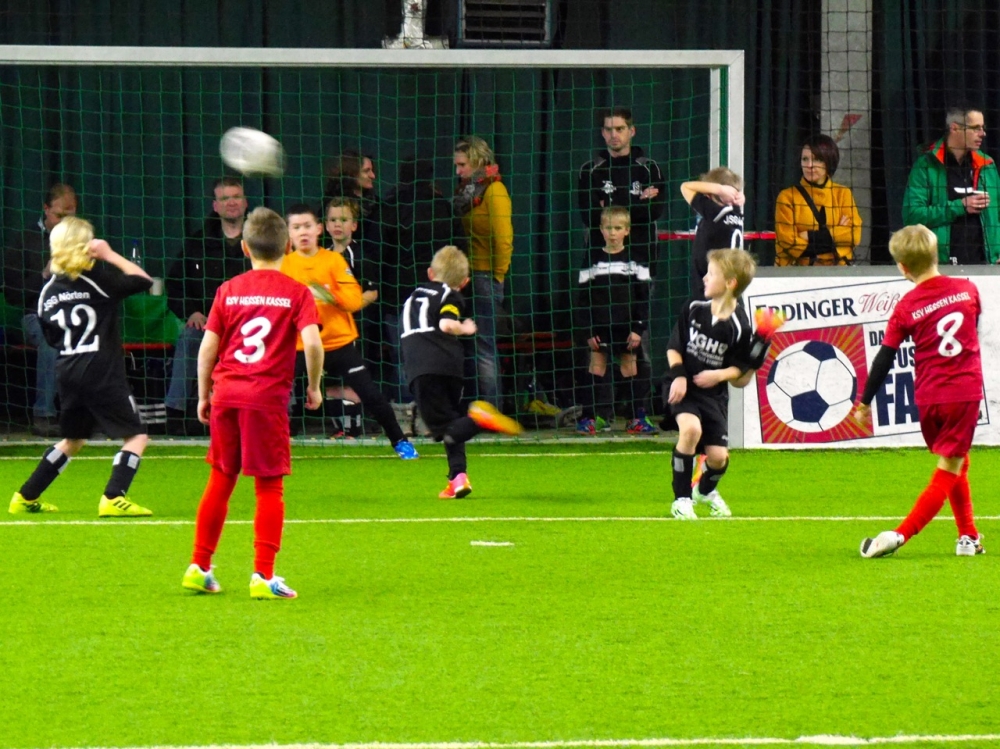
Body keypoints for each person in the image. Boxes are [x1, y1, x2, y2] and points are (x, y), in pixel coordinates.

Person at [181, 207, 323, 600]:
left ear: (244, 247)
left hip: (226, 393)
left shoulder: (228, 289)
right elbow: (313, 343)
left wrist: (203, 394)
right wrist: (314, 387)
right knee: (269, 486)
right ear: (288, 246)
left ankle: (199, 566)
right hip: (265, 399)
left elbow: (207, 347)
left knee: (221, 479)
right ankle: (263, 575)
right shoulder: (297, 292)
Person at [9, 217, 154, 517]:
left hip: (68, 372)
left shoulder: (47, 292)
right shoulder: (99, 282)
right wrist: (109, 254)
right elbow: (143, 280)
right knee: (137, 436)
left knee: (73, 440)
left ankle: (25, 496)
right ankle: (113, 497)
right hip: (102, 371)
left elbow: (50, 337)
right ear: (87, 247)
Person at [856, 225, 984, 558]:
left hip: (928, 398)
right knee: (950, 467)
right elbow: (973, 329)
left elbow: (884, 358)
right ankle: (899, 535)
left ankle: (968, 537)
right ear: (936, 253)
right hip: (963, 392)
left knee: (955, 458)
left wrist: (865, 402)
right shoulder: (968, 289)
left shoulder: (906, 307)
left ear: (903, 267)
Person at [281, 204, 418, 458]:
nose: (303, 232)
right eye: (296, 227)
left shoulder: (334, 260)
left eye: (307, 226)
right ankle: (265, 443)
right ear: (288, 233)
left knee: (370, 393)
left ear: (318, 229)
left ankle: (400, 441)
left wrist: (330, 296)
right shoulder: (284, 266)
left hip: (339, 343)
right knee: (274, 391)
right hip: (300, 345)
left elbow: (355, 300)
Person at [400, 245, 521, 499]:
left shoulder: (415, 296)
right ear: (465, 282)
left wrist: (462, 328)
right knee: (452, 422)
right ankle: (458, 478)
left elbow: (446, 323)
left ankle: (479, 420)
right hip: (450, 365)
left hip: (423, 367)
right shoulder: (452, 295)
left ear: (430, 273)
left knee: (444, 428)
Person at [666, 248, 758, 521]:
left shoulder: (740, 326)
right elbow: (673, 348)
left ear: (730, 283)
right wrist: (679, 376)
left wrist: (721, 374)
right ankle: (681, 499)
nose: (704, 278)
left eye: (711, 274)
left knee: (718, 459)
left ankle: (704, 491)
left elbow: (741, 378)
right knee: (691, 430)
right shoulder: (694, 308)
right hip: (684, 386)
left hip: (713, 397)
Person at [165, 177, 249, 434]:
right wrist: (191, 312)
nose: (231, 202)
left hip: (250, 324)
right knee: (189, 337)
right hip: (208, 326)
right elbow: (175, 284)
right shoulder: (197, 243)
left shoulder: (258, 240)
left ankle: (284, 411)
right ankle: (176, 412)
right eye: (225, 198)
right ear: (215, 205)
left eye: (236, 196)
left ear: (245, 202)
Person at [381, 158, 464, 402]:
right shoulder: (443, 208)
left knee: (403, 357)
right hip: (438, 297)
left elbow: (379, 253)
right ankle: (440, 410)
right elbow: (459, 248)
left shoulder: (390, 208)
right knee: (439, 357)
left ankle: (407, 413)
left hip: (399, 299)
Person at [3, 183, 78, 436]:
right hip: (36, 315)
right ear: (46, 209)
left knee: (97, 340)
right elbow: (13, 293)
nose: (64, 222)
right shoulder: (25, 240)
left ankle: (92, 414)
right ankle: (43, 414)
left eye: (70, 216)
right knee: (51, 341)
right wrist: (44, 274)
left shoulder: (82, 241)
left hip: (75, 315)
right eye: (59, 215)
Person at [574, 206, 654, 435]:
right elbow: (582, 298)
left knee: (630, 368)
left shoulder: (636, 261)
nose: (612, 233)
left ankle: (635, 417)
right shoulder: (592, 259)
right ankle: (592, 417)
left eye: (618, 228)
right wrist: (588, 330)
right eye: (608, 228)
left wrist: (638, 328)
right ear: (600, 229)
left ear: (627, 230)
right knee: (596, 367)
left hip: (627, 328)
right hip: (600, 327)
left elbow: (643, 298)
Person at [453, 136, 514, 409]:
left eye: (462, 165)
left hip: (485, 277)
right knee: (470, 345)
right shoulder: (467, 192)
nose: (458, 171)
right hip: (466, 278)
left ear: (478, 161)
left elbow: (503, 239)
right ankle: (474, 410)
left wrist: (497, 276)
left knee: (484, 347)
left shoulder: (494, 190)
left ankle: (492, 410)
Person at [902, 105, 1000, 265]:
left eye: (983, 128)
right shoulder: (926, 165)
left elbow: (998, 215)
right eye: (976, 128)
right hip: (941, 265)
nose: (983, 133)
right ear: (954, 128)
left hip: (986, 265)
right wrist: (960, 206)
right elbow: (912, 215)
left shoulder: (987, 165)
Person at [578, 107, 666, 269]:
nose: (613, 135)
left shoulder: (650, 169)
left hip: (641, 257)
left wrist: (608, 206)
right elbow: (590, 216)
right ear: (603, 133)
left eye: (619, 129)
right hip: (600, 259)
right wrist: (637, 202)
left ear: (632, 131)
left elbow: (653, 211)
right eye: (608, 129)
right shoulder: (590, 170)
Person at [774, 134, 861, 266]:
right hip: (797, 272)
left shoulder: (843, 194)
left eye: (817, 160)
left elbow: (854, 235)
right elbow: (787, 242)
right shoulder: (787, 197)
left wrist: (808, 236)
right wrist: (835, 236)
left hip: (838, 272)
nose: (809, 165)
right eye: (805, 159)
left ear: (829, 162)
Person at [681, 167, 745, 297]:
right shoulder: (736, 212)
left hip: (711, 286)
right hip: (727, 283)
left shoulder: (714, 212)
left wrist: (719, 189)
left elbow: (685, 187)